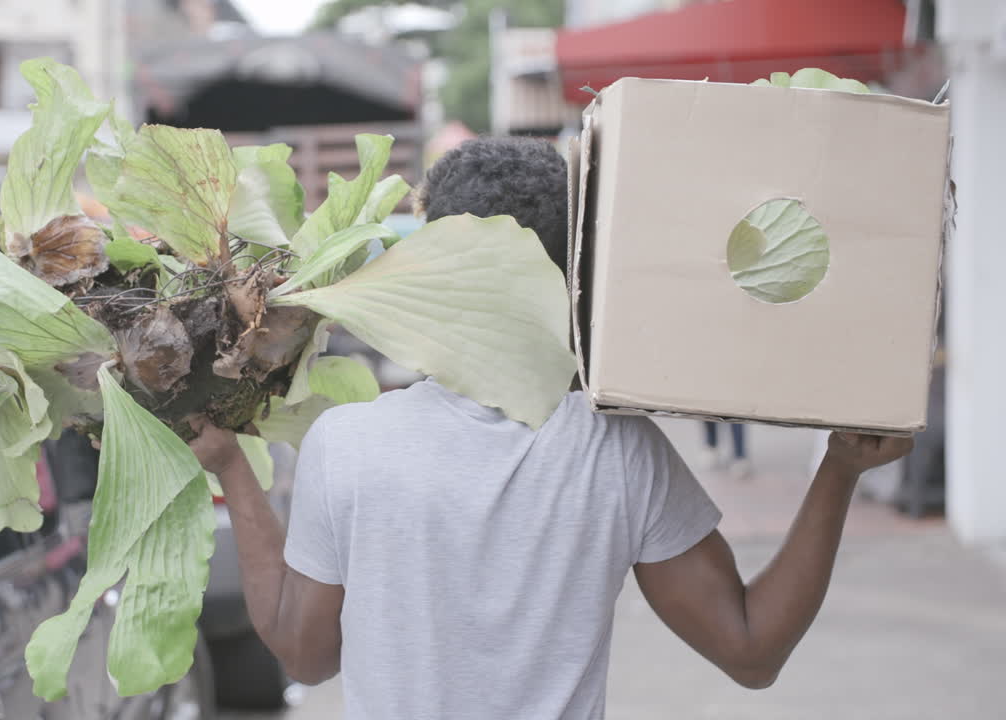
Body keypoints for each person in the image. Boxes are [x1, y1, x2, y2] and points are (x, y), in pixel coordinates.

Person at [189, 137, 913, 720]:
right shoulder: (617, 449)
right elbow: (751, 651)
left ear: (432, 268)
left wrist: (232, 468)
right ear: (570, 271)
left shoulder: (348, 446)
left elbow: (305, 656)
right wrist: (838, 471)